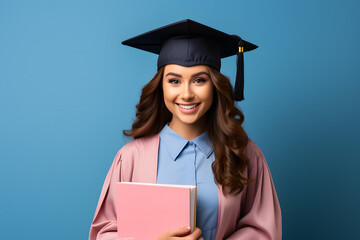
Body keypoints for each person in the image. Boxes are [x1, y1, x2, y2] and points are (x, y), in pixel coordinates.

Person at [89, 19, 282, 240]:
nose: (187, 94)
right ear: (161, 86)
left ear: (215, 86)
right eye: (174, 81)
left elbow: (263, 230)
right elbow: (105, 233)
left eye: (199, 80)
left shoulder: (245, 154)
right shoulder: (132, 158)